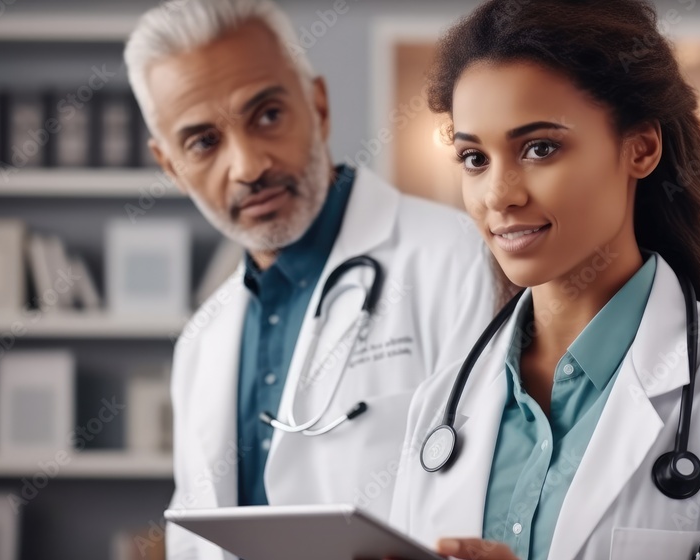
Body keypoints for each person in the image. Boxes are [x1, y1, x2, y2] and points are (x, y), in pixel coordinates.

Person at [388, 1, 700, 559]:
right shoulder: (439, 405)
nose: (499, 195)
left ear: (641, 148)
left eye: (540, 148)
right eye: (473, 158)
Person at [124, 1, 496, 558]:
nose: (248, 166)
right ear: (170, 166)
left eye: (268, 115)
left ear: (318, 106)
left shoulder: (456, 258)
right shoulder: (201, 340)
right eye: (203, 142)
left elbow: (491, 494)